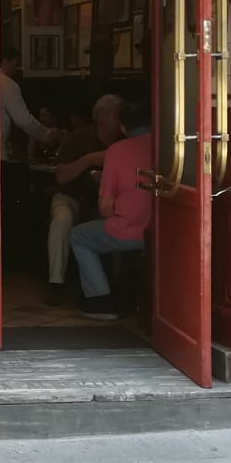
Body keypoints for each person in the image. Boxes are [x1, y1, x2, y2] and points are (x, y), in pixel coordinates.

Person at [67, 98, 153, 320]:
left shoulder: (117, 150)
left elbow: (105, 208)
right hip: (160, 231)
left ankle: (99, 300)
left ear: (122, 127)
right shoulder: (168, 146)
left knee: (78, 235)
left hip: (127, 231)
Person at [41, 94, 125, 304]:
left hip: (109, 201)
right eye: (117, 115)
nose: (121, 120)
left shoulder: (125, 140)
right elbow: (61, 177)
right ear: (102, 116)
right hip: (72, 196)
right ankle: (56, 282)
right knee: (62, 219)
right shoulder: (78, 138)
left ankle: (112, 287)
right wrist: (89, 160)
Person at [0, 46, 55, 146]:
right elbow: (23, 120)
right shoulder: (7, 84)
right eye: (15, 64)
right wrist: (47, 135)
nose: (16, 68)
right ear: (5, 61)